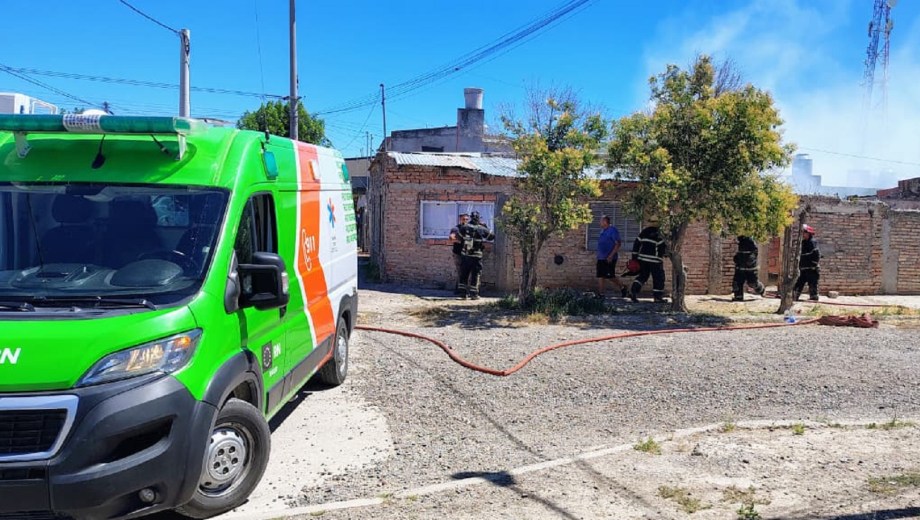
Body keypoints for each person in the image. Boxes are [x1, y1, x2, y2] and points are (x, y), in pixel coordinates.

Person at [456, 211, 495, 300]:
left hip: (465, 255)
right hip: (476, 256)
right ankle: (474, 294)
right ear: (478, 218)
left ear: (470, 217)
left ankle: (462, 294)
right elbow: (491, 236)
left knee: (464, 274)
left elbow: (458, 237)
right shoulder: (481, 228)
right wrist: (485, 226)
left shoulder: (464, 227)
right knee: (475, 274)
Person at [629, 221, 668, 303]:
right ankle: (657, 297)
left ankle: (633, 291)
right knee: (658, 278)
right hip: (655, 260)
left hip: (642, 259)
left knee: (643, 276)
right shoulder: (659, 234)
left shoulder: (644, 231)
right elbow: (662, 248)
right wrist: (664, 255)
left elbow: (637, 243)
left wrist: (634, 257)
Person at [596, 215, 628, 298]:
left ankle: (623, 287)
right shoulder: (602, 231)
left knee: (610, 276)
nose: (599, 223)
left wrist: (611, 255)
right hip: (601, 257)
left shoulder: (613, 230)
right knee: (600, 275)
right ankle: (601, 294)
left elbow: (618, 243)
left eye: (601, 221)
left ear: (605, 222)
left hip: (610, 258)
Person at [732, 236, 765, 301]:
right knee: (737, 282)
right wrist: (737, 259)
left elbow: (753, 255)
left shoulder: (751, 243)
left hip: (751, 269)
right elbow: (738, 254)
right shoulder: (741, 243)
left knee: (752, 283)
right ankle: (738, 297)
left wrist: (749, 261)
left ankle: (761, 290)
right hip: (740, 268)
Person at [793, 224, 821, 301]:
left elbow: (816, 254)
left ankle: (813, 298)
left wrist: (813, 264)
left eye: (804, 233)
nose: (803, 234)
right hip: (803, 268)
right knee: (799, 283)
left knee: (812, 284)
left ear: (808, 233)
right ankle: (794, 296)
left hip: (811, 268)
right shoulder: (803, 242)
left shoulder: (812, 242)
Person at [448, 213, 470, 294]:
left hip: (467, 253)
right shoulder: (456, 228)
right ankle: (460, 290)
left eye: (467, 219)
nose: (465, 221)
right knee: (460, 271)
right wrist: (460, 241)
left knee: (465, 271)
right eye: (463, 219)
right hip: (458, 253)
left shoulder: (469, 228)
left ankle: (461, 289)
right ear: (460, 220)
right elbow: (451, 237)